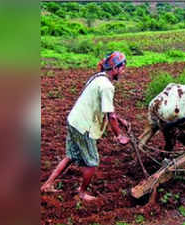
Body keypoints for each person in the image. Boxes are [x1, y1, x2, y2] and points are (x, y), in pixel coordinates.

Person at [41, 51, 130, 201]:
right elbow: (111, 115)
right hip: (84, 127)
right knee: (93, 162)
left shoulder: (98, 78)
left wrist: (121, 120)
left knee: (70, 156)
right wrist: (119, 136)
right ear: (114, 68)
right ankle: (81, 193)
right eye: (122, 68)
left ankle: (47, 185)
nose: (123, 71)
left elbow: (108, 110)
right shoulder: (107, 86)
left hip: (74, 121)